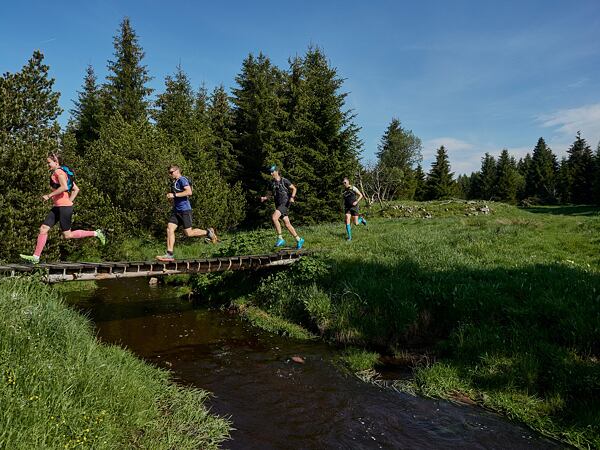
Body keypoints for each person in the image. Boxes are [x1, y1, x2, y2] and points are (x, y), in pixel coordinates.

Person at [20, 154, 106, 263]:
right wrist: (70, 201)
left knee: (67, 235)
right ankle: (36, 257)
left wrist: (49, 195)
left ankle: (96, 233)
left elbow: (65, 187)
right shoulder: (64, 173)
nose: (48, 165)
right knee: (43, 229)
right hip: (58, 206)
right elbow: (76, 189)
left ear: (56, 162)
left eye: (49, 163)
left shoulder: (58, 172)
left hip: (64, 207)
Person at [156, 165, 218, 262]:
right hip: (176, 211)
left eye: (171, 172)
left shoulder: (182, 179)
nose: (170, 174)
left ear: (177, 171)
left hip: (185, 210)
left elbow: (189, 192)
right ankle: (169, 254)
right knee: (169, 229)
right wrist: (171, 199)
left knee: (189, 233)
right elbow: (176, 197)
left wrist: (174, 195)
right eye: (169, 173)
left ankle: (208, 232)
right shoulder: (174, 182)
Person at [260, 165, 304, 249]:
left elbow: (294, 188)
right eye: (270, 172)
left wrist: (292, 197)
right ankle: (299, 239)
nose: (271, 173)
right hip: (278, 204)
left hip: (285, 203)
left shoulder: (284, 181)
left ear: (277, 171)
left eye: (272, 171)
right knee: (287, 224)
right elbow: (270, 193)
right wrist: (265, 198)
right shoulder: (271, 183)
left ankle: (280, 238)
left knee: (274, 217)